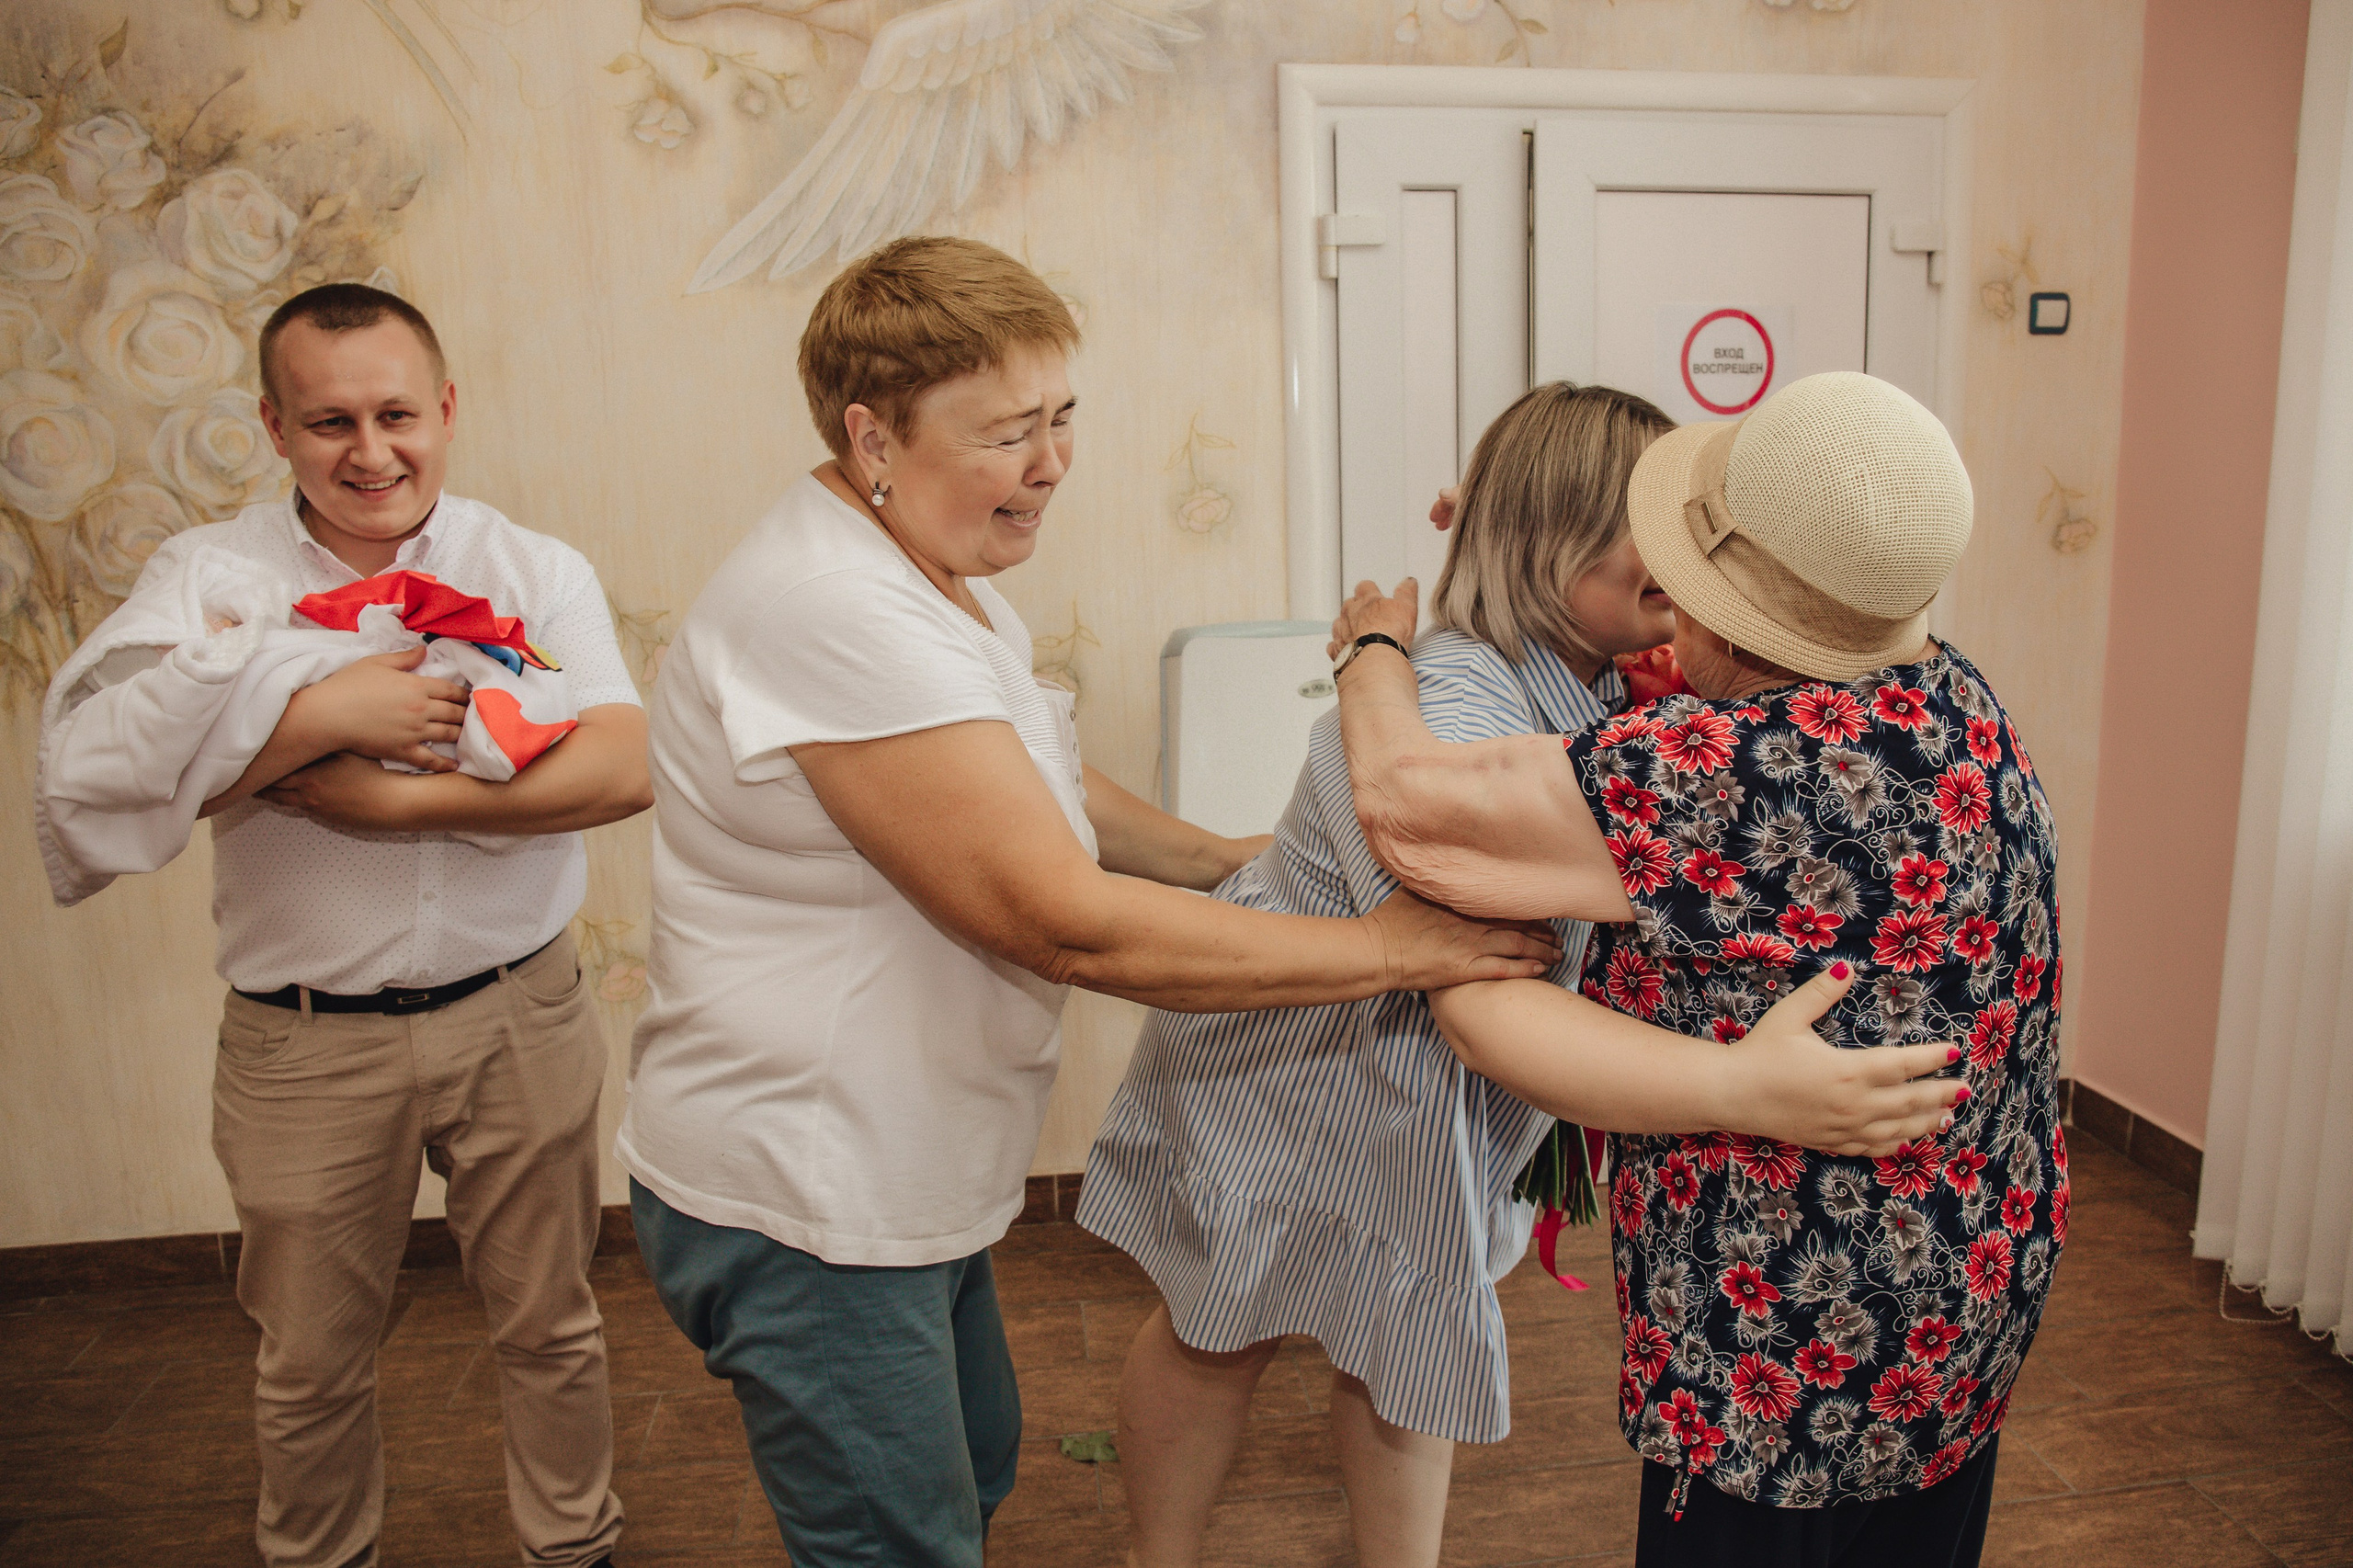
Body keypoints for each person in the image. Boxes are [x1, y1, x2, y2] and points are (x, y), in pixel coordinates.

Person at [613, 235, 1560, 1568]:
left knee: (980, 1466)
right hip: (807, 1188)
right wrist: (1380, 948)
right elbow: (1061, 916)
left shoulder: (938, 577)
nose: (1051, 460)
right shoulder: (830, 609)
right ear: (872, 432)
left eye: (1062, 417)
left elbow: (1036, 773)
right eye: (1008, 432)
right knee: (900, 1541)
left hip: (909, 1165)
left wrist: (1227, 855)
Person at [1078, 382, 1962, 1568]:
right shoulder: (1449, 701)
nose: (1682, 564)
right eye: (1649, 539)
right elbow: (1457, 909)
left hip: (1407, 1085)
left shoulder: (1595, 673)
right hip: (1292, 1066)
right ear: (1540, 539)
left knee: (1393, 1354)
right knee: (1219, 1326)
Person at [1329, 371, 2064, 1568]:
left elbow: (1411, 811)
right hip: (1965, 1297)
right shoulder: (1948, 692)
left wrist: (1369, 641)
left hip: (1790, 1356)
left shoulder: (1732, 770)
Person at [33, 282, 646, 1568]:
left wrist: (375, 798)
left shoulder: (532, 570)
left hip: (518, 1015)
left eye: (396, 414)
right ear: (272, 425)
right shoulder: (209, 579)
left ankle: (575, 1548)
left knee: (552, 1325)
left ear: (447, 409)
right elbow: (114, 769)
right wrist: (316, 719)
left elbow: (625, 767)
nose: (371, 452)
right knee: (307, 1360)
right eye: (328, 422)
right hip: (302, 1044)